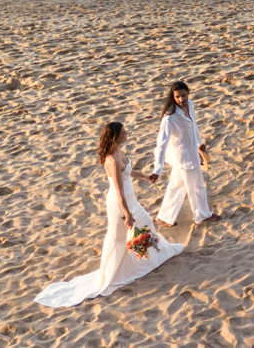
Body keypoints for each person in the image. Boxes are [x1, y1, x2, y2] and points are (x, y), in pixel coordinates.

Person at [35, 122, 183, 307]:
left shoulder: (119, 152)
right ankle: (118, 271)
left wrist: (144, 176)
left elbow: (128, 173)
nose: (127, 134)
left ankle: (144, 259)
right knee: (120, 238)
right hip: (120, 203)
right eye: (123, 133)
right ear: (115, 137)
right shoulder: (111, 160)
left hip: (130, 199)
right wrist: (127, 213)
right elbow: (119, 190)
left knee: (144, 224)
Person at [149, 81, 221, 226]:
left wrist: (200, 143)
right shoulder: (170, 118)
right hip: (183, 158)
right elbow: (161, 144)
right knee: (197, 186)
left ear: (188, 93)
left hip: (191, 153)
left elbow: (194, 126)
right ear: (173, 97)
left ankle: (164, 217)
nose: (181, 99)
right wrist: (157, 169)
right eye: (177, 97)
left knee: (176, 186)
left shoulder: (190, 105)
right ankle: (201, 215)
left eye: (183, 95)